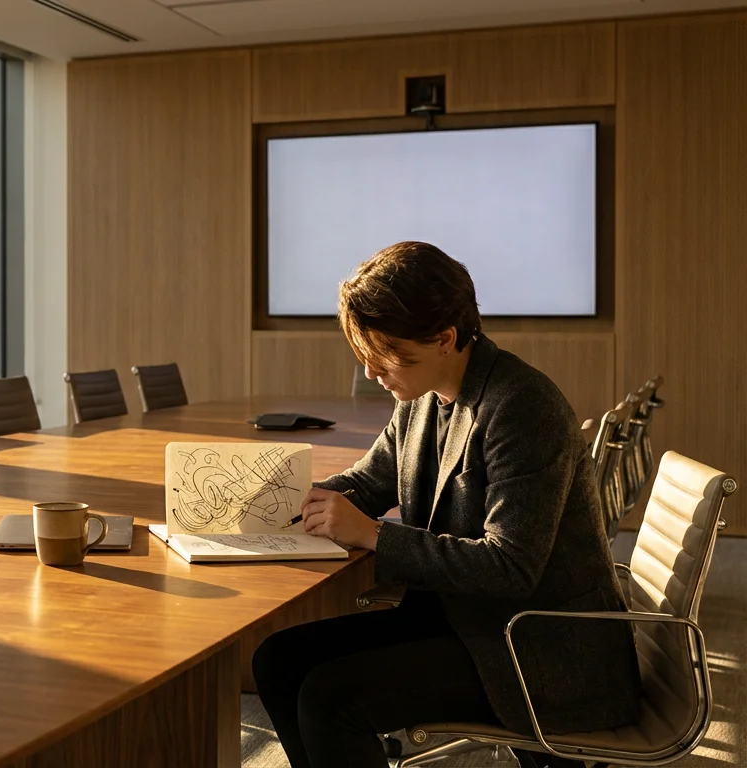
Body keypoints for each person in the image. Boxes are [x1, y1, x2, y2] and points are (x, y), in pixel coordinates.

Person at [251, 242, 641, 768]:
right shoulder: (424, 396)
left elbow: (510, 567)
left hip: (537, 647)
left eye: (384, 354)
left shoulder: (522, 407)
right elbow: (370, 480)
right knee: (278, 660)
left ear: (444, 339)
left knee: (329, 697)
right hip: (468, 620)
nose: (370, 371)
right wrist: (279, 501)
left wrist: (372, 534)